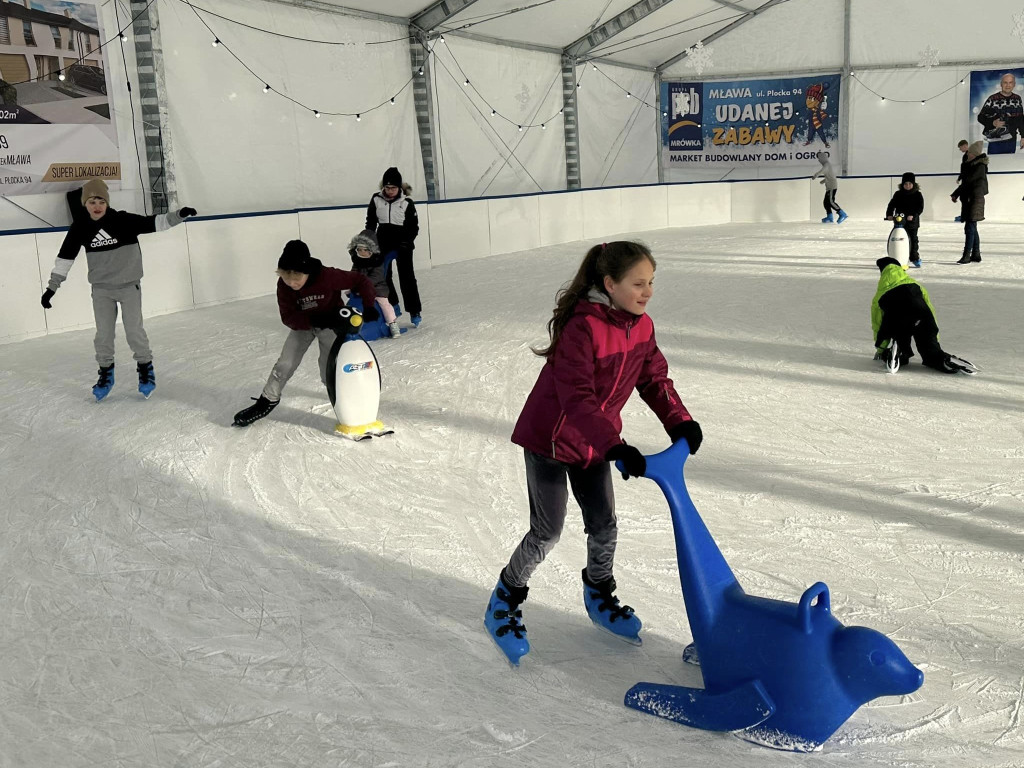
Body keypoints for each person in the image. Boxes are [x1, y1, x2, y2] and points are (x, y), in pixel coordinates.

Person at [483, 241, 703, 665]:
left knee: (604, 524)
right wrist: (614, 446)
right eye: (638, 283)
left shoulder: (642, 327)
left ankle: (599, 593)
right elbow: (578, 397)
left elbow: (654, 379)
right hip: (550, 440)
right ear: (610, 284)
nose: (647, 292)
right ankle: (504, 600)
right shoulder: (582, 327)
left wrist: (680, 422)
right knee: (546, 532)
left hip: (594, 444)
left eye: (651, 282)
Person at [40, 178, 197, 401]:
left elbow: (156, 222)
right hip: (101, 291)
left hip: (128, 287)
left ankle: (145, 369)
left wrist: (180, 214)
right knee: (103, 335)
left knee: (134, 331)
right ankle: (106, 373)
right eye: (92, 202)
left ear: (107, 203)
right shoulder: (80, 227)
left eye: (101, 201)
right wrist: (51, 288)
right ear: (85, 204)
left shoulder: (123, 220)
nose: (97, 206)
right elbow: (65, 259)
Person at [232, 240, 378, 426]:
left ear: (307, 272)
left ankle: (344, 398)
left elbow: (360, 280)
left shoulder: (327, 276)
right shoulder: (283, 286)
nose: (292, 284)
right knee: (285, 363)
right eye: (287, 279)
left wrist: (369, 305)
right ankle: (268, 400)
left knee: (329, 369)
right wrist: (312, 321)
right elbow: (287, 317)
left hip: (331, 325)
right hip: (304, 325)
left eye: (297, 279)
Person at [871, 257, 975, 375]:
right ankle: (943, 359)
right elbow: (930, 309)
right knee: (931, 352)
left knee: (898, 334)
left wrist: (881, 349)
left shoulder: (880, 294)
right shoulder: (916, 285)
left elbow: (877, 323)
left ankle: (897, 352)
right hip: (922, 316)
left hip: (899, 320)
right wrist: (934, 338)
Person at [366, 167, 422, 327]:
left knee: (407, 277)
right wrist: (368, 239)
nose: (390, 191)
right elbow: (371, 222)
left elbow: (413, 227)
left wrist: (407, 242)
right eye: (387, 187)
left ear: (399, 187)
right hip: (383, 240)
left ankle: (414, 310)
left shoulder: (406, 203)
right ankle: (393, 304)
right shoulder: (376, 199)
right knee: (383, 276)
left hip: (403, 242)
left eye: (393, 188)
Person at [348, 229, 401, 339]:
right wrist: (352, 283)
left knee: (384, 304)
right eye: (359, 249)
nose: (361, 252)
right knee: (350, 298)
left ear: (371, 250)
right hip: (361, 288)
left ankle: (392, 323)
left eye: (365, 250)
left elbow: (376, 277)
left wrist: (363, 284)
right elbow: (353, 274)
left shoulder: (377, 261)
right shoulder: (357, 261)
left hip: (377, 289)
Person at [951, 141, 988, 264]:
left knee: (969, 227)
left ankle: (967, 255)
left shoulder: (979, 166)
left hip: (974, 199)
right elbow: (966, 181)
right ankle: (976, 254)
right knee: (972, 227)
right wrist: (957, 193)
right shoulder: (971, 164)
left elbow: (968, 182)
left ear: (975, 154)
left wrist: (956, 193)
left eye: (970, 153)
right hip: (970, 198)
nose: (968, 154)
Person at [977, 73, 1024, 154]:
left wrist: (1023, 136)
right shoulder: (992, 99)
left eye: (1010, 82)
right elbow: (980, 117)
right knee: (994, 162)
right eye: (1005, 82)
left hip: (1011, 140)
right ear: (1001, 84)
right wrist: (993, 123)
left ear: (1014, 84)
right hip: (995, 141)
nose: (1008, 85)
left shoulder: (1017, 99)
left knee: (1009, 161)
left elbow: (1021, 119)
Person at [885, 172, 925, 268]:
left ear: (913, 184)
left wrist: (913, 215)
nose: (907, 186)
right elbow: (891, 205)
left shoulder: (917, 194)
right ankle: (895, 257)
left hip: (912, 222)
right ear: (902, 184)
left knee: (913, 240)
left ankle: (914, 258)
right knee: (897, 239)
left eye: (910, 184)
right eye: (905, 184)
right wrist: (889, 214)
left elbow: (920, 207)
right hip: (900, 221)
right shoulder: (898, 194)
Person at [811, 151, 847, 223]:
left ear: (822, 158)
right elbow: (830, 175)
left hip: (832, 187)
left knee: (831, 201)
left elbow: (822, 171)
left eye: (819, 158)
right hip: (830, 186)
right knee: (826, 202)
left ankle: (842, 213)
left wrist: (815, 175)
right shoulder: (827, 165)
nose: (819, 160)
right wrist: (823, 181)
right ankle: (829, 216)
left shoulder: (827, 165)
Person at [953, 139, 968, 222]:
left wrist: (960, 177)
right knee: (964, 198)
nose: (960, 149)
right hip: (966, 179)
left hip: (967, 180)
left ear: (965, 146)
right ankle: (964, 215)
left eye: (960, 147)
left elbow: (964, 169)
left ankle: (964, 216)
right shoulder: (967, 155)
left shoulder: (967, 155)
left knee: (964, 198)